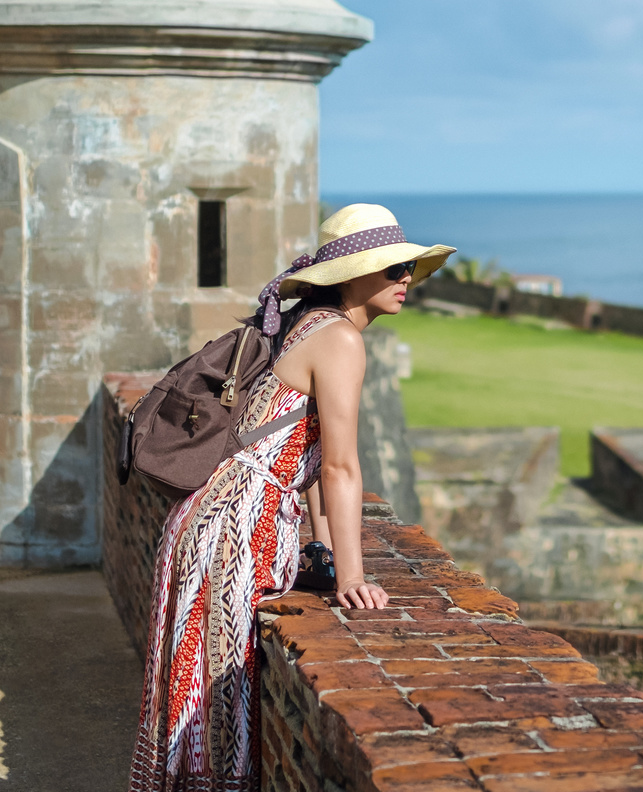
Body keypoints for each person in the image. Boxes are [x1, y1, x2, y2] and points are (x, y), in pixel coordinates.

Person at [129, 203, 454, 792]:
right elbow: (340, 467)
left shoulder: (306, 323)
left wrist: (324, 553)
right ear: (352, 275)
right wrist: (353, 575)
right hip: (236, 535)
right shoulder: (340, 341)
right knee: (219, 712)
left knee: (194, 710)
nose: (405, 279)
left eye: (407, 267)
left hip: (209, 523)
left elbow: (304, 471)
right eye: (391, 269)